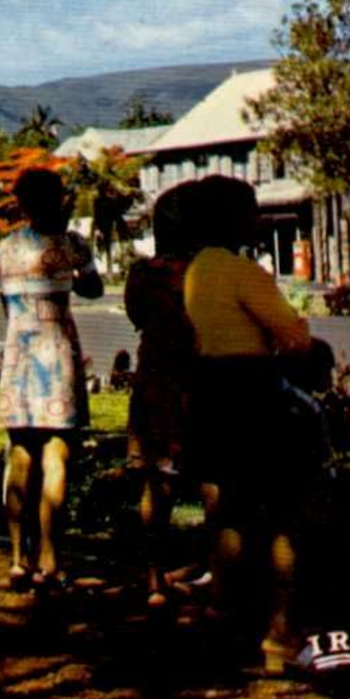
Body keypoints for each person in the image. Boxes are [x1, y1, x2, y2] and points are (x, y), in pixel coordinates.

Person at [182, 176, 314, 673]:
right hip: (254, 391)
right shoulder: (245, 272)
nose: (258, 220)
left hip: (211, 389)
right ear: (234, 220)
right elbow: (294, 337)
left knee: (229, 513)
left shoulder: (198, 270)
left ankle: (225, 612)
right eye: (252, 211)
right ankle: (280, 632)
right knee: (282, 515)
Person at [0, 167, 103, 592]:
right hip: (57, 354)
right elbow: (92, 289)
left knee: (20, 456)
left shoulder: (4, 249)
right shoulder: (73, 244)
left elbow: (7, 302)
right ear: (59, 198)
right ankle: (51, 560)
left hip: (18, 354)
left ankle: (18, 557)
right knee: (57, 458)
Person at [123, 181, 200, 609]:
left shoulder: (142, 274)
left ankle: (153, 578)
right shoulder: (203, 273)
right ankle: (216, 574)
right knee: (212, 481)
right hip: (196, 376)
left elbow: (137, 316)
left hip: (153, 377)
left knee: (156, 484)